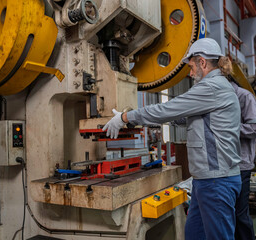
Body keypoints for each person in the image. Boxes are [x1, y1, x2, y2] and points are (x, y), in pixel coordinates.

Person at [103, 38, 242, 240]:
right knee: (194, 233)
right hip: (206, 180)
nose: (190, 72)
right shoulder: (217, 87)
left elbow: (167, 108)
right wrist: (156, 120)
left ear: (202, 62)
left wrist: (125, 117)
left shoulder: (211, 87)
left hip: (216, 181)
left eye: (192, 66)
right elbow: (188, 117)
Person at [229, 79, 256, 240]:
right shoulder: (221, 97)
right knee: (229, 215)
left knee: (240, 215)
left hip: (241, 165)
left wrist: (228, 127)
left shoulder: (244, 96)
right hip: (224, 165)